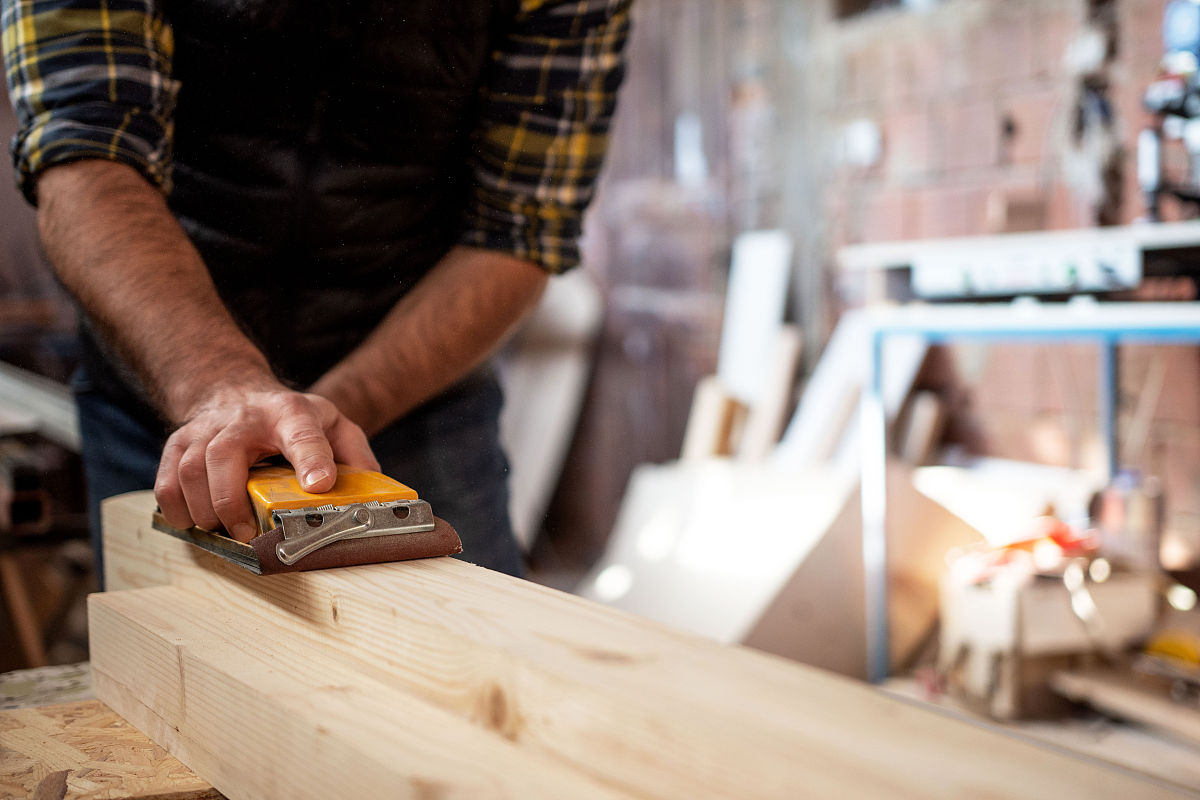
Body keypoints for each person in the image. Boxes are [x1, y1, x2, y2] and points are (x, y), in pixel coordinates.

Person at [2, 0, 631, 579]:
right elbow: (84, 158)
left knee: (466, 657)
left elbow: (517, 229)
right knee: (170, 651)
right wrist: (222, 388)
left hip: (415, 395)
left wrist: (310, 427)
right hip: (166, 378)